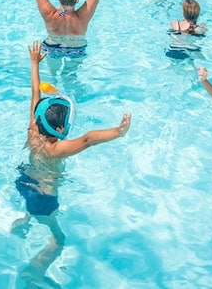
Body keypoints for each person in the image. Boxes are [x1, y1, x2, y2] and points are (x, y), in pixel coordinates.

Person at [11, 41, 131, 248]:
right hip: (44, 197)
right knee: (59, 237)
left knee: (31, 205)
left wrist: (34, 63)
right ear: (59, 129)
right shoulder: (55, 149)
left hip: (24, 180)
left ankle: (25, 220)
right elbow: (88, 139)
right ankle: (38, 269)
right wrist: (119, 132)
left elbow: (35, 94)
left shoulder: (32, 131)